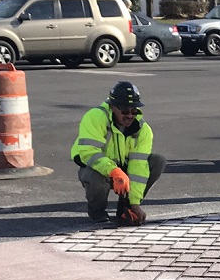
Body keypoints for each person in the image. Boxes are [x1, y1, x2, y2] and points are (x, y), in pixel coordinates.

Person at [70, 81, 166, 225]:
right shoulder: (95, 117)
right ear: (113, 107)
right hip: (97, 168)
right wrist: (114, 171)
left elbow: (138, 169)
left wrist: (134, 204)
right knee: (94, 176)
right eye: (125, 111)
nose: (130, 116)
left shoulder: (143, 130)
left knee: (157, 161)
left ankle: (125, 209)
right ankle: (97, 211)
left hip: (123, 169)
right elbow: (88, 152)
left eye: (134, 111)